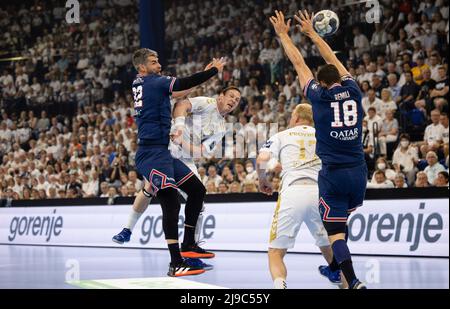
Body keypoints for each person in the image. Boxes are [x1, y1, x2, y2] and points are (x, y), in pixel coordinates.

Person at [270, 10, 367, 288]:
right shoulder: (354, 89)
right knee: (339, 228)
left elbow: (300, 64)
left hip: (333, 174)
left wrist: (284, 35)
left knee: (335, 233)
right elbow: (332, 60)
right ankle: (338, 269)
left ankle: (353, 280)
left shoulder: (319, 98)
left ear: (321, 84)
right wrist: (313, 34)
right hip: (359, 173)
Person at [113, 48, 224, 277]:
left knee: (197, 190)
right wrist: (213, 71)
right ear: (143, 67)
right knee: (170, 200)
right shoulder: (154, 82)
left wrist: (202, 74)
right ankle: (176, 263)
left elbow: (181, 90)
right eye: (154, 62)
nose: (159, 65)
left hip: (161, 152)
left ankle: (189, 244)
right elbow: (185, 82)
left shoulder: (144, 84)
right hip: (151, 153)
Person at [113, 86, 241, 256]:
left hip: (186, 159)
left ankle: (191, 246)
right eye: (231, 96)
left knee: (199, 201)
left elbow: (202, 151)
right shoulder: (206, 103)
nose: (233, 101)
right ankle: (127, 230)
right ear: (220, 97)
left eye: (237, 100)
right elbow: (180, 105)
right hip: (167, 149)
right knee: (149, 187)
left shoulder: (221, 127)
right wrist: (179, 129)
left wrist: (183, 143)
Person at [257, 104, 345, 289]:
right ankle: (346, 284)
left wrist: (263, 181)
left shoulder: (282, 135)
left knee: (275, 252)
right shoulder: (324, 135)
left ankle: (280, 286)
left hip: (292, 192)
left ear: (296, 118)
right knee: (329, 246)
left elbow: (262, 160)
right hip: (319, 193)